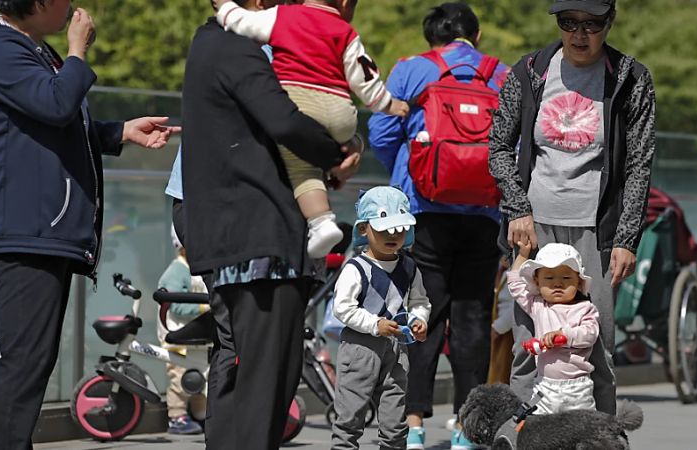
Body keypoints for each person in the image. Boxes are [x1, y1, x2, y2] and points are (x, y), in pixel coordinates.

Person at [0, 2, 178, 448]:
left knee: (27, 364)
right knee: (24, 366)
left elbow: (48, 125)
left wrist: (118, 132)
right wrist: (77, 51)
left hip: (34, 233)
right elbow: (56, 104)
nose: (73, 5)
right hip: (20, 234)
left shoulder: (26, 49)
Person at [180, 0, 362, 446]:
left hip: (237, 238)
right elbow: (283, 119)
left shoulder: (210, 43)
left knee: (242, 379)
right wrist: (340, 155)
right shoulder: (234, 47)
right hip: (258, 237)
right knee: (266, 386)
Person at [488, 0, 656, 415]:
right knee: (528, 345)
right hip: (536, 226)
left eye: (592, 24)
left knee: (596, 348)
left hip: (596, 231)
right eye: (569, 23)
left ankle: (601, 437)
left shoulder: (631, 79)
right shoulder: (530, 71)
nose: (580, 35)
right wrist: (517, 209)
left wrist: (626, 238)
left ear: (610, 21)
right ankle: (523, 437)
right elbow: (498, 146)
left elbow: (639, 163)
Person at [368, 4, 509, 448]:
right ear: (477, 34)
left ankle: (413, 428)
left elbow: (381, 132)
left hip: (424, 213)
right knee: (471, 322)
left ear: (432, 37)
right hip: (484, 214)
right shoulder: (502, 74)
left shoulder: (412, 71)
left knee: (420, 314)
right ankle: (468, 432)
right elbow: (517, 143)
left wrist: (410, 176)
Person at [216, 0, 410, 259]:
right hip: (341, 111)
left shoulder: (283, 16)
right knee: (330, 144)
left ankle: (321, 222)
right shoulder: (346, 32)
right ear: (343, 3)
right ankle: (336, 159)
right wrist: (389, 104)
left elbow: (242, 22)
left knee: (301, 169)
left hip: (299, 105)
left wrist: (225, 6)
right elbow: (365, 80)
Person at [330, 186, 431, 450]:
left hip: (397, 349)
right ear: (364, 229)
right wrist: (375, 324)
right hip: (360, 348)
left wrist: (419, 319)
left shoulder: (409, 267)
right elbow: (342, 308)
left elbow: (420, 301)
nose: (393, 235)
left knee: (395, 420)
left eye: (399, 229)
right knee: (350, 416)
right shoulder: (355, 268)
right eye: (384, 229)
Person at [507, 242, 600, 414]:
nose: (558, 284)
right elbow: (515, 284)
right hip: (545, 385)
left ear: (578, 281)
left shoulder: (585, 308)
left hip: (577, 386)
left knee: (582, 428)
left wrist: (564, 336)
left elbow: (590, 333)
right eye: (549, 278)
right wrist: (522, 255)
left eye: (566, 278)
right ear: (537, 281)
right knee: (541, 425)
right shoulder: (538, 306)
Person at [157, 226, 210, 435]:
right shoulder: (177, 271)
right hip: (178, 337)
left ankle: (202, 415)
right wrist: (204, 307)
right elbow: (175, 304)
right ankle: (176, 416)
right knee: (181, 378)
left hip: (196, 338)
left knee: (200, 378)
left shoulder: (197, 268)